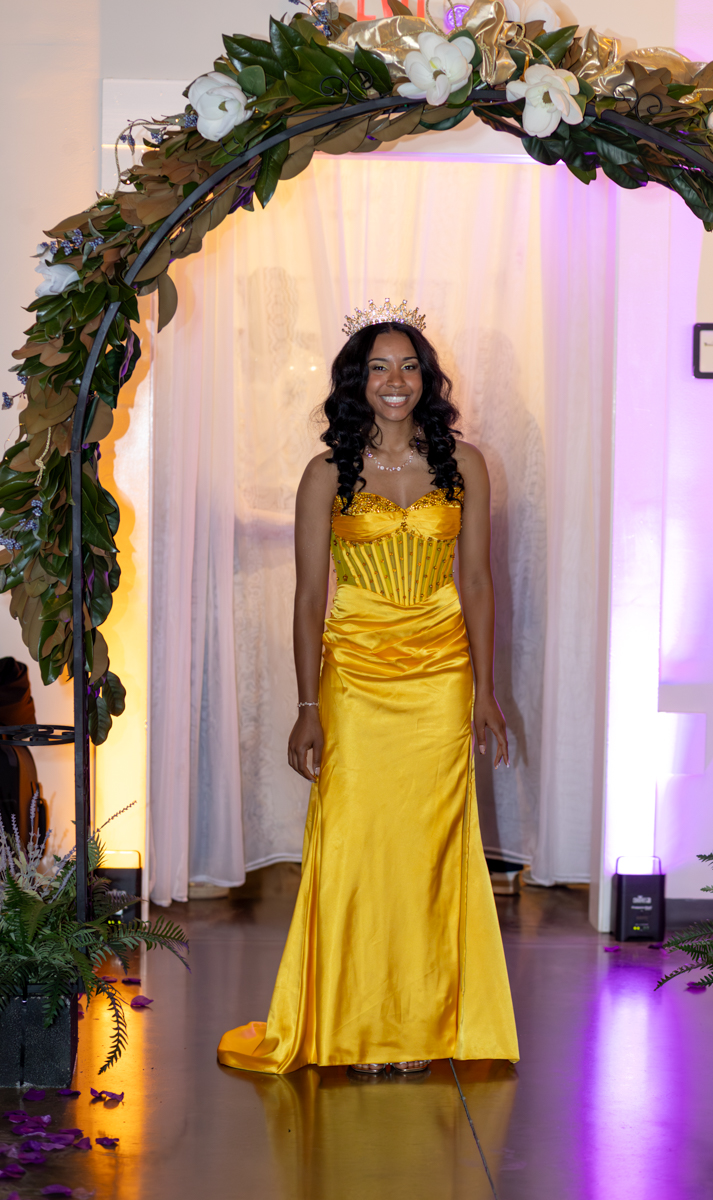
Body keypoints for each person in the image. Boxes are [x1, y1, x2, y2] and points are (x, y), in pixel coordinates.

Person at [217, 300, 519, 1075]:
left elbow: (479, 582)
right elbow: (308, 598)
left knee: (429, 851)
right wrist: (308, 704)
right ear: (357, 382)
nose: (396, 381)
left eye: (409, 366)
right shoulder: (326, 473)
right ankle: (353, 1020)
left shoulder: (466, 464)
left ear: (427, 378)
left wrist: (487, 690)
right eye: (379, 367)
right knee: (355, 846)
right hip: (354, 676)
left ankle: (420, 1025)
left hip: (441, 677)